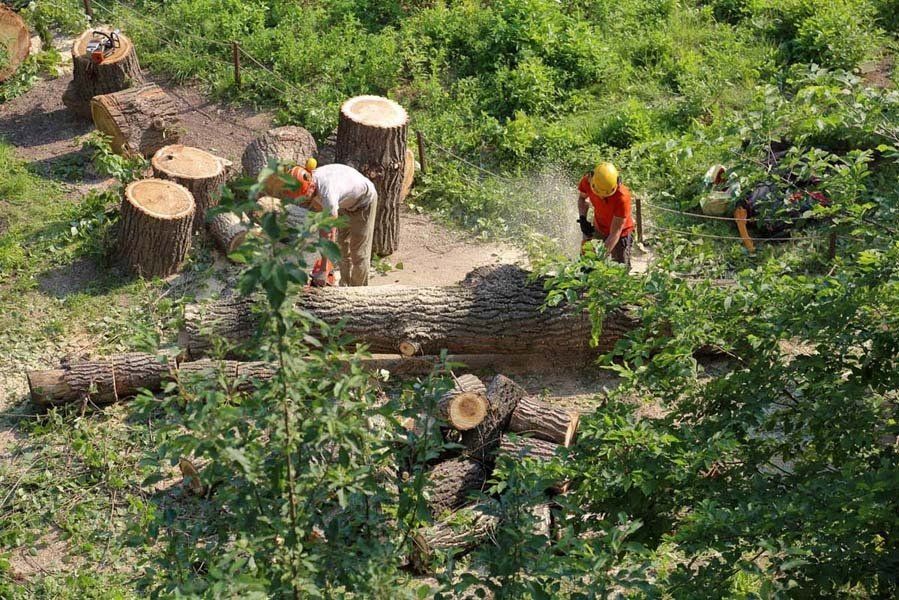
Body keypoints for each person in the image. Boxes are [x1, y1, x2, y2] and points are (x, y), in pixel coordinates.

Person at [270, 158, 378, 287]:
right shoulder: (310, 178)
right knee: (342, 247)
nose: (304, 202)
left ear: (310, 187)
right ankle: (345, 287)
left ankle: (360, 293)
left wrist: (322, 270)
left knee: (359, 253)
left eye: (304, 198)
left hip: (363, 201)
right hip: (344, 202)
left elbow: (328, 233)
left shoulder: (328, 193)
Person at [576, 162, 635, 270]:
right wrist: (583, 218)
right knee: (586, 261)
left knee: (619, 269)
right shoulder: (588, 181)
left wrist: (598, 258)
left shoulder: (622, 197)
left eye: (605, 195)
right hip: (599, 226)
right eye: (598, 193)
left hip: (621, 233)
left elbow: (615, 233)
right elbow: (582, 199)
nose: (601, 198)